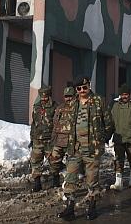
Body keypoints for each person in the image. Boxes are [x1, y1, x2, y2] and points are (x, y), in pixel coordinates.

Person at [58, 76, 113, 221]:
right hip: (75, 148)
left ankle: (92, 207)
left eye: (85, 87)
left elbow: (108, 123)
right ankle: (70, 207)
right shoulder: (74, 102)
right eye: (79, 88)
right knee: (70, 178)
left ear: (89, 86)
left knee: (92, 180)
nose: (82, 90)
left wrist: (102, 139)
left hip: (92, 148)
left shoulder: (98, 101)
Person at [109, 83, 131, 190]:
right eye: (123, 94)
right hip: (119, 138)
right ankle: (118, 181)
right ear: (120, 95)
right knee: (118, 159)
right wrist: (108, 135)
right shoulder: (115, 106)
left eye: (126, 94)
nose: (125, 96)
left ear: (130, 95)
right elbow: (110, 122)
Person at [30, 85, 57, 192]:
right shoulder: (36, 107)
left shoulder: (55, 107)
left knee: (54, 161)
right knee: (36, 161)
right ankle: (37, 183)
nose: (44, 99)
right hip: (37, 138)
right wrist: (32, 138)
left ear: (49, 96)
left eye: (46, 97)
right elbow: (34, 123)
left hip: (50, 139)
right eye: (42, 97)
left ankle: (55, 180)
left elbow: (57, 124)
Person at [49, 86, 76, 188]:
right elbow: (55, 124)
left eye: (70, 96)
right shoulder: (60, 108)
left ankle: (69, 183)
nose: (68, 98)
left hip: (71, 141)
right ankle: (55, 180)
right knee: (54, 161)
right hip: (59, 140)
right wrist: (53, 140)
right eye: (66, 96)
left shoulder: (77, 108)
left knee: (72, 164)